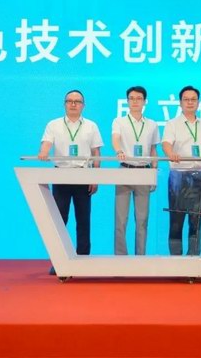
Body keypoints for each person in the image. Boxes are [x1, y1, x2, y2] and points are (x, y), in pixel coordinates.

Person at [38, 90, 103, 274]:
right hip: (62, 176)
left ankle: (83, 259)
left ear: (83, 105)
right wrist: (43, 152)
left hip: (83, 176)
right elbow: (46, 143)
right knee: (60, 220)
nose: (73, 104)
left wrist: (95, 177)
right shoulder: (53, 124)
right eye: (70, 101)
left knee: (83, 220)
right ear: (64, 104)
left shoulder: (91, 126)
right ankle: (59, 261)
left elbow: (96, 153)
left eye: (77, 101)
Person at [162, 85, 201, 256]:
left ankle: (193, 258)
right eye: (186, 99)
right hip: (179, 176)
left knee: (196, 220)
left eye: (193, 99)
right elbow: (166, 144)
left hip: (199, 177)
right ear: (180, 102)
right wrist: (171, 154)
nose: (190, 102)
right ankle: (176, 260)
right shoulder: (172, 124)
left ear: (198, 103)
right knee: (176, 221)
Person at [111, 86, 160, 255]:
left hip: (144, 172)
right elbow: (115, 138)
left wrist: (154, 173)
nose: (135, 101)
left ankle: (140, 258)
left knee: (142, 220)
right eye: (131, 98)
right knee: (120, 219)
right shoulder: (119, 121)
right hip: (125, 170)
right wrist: (119, 151)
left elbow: (153, 150)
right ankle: (121, 258)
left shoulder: (152, 124)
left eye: (139, 98)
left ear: (145, 101)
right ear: (127, 101)